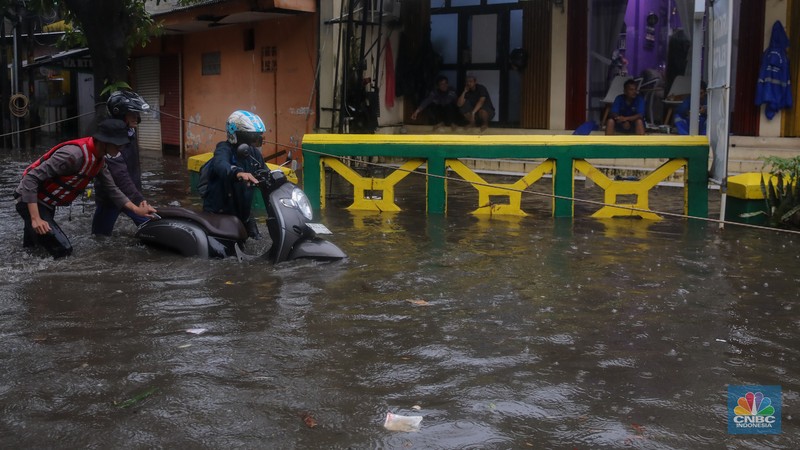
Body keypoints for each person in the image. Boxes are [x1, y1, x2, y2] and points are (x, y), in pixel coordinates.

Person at [14, 119, 158, 258]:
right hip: (29, 200)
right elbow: (30, 178)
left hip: (46, 204)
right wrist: (36, 218)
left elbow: (112, 189)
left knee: (34, 250)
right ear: (104, 142)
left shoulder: (99, 161)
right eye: (117, 144)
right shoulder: (72, 155)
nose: (121, 148)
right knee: (63, 250)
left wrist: (136, 209)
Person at [92, 90, 152, 235]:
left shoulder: (130, 131)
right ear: (120, 114)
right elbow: (120, 174)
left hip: (132, 192)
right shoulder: (112, 139)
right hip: (111, 197)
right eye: (132, 114)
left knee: (151, 227)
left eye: (137, 114)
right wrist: (140, 200)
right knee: (100, 239)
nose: (136, 118)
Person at [202, 110, 268, 240]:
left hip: (244, 213)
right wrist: (237, 173)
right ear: (236, 134)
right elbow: (220, 165)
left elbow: (264, 171)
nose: (255, 140)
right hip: (220, 214)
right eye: (251, 136)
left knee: (257, 241)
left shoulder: (253, 153)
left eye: (257, 136)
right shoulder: (223, 149)